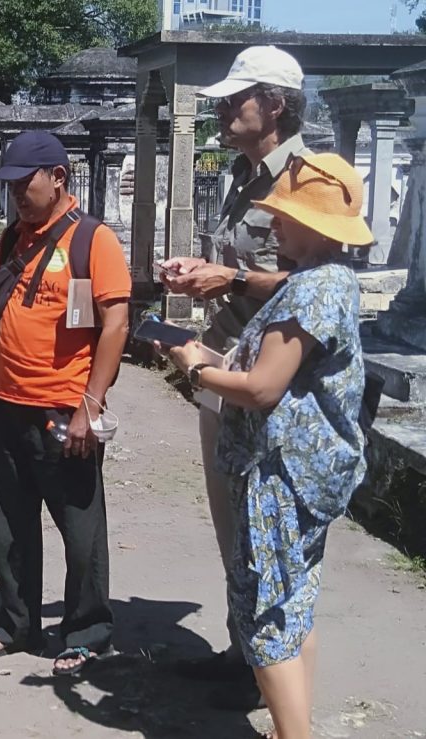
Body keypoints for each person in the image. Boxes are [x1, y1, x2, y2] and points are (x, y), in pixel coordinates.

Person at [166, 152, 371, 739]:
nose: (272, 224)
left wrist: (193, 369)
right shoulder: (323, 281)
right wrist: (206, 358)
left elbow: (260, 388)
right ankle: (293, 729)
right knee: (293, 602)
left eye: (284, 215)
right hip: (306, 470)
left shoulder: (312, 291)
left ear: (318, 226)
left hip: (280, 473)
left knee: (264, 613)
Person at [159, 45, 309, 709]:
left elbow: (322, 281)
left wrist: (235, 276)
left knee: (270, 539)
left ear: (274, 103)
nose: (223, 110)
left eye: (235, 99)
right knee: (231, 527)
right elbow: (240, 269)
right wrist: (203, 268)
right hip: (225, 364)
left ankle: (282, 681)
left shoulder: (307, 177)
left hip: (276, 384)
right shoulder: (245, 175)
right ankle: (241, 650)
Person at [0, 131, 131, 676]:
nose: (15, 197)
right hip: (7, 403)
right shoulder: (13, 240)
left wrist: (90, 406)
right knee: (7, 526)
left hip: (63, 411)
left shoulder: (92, 241)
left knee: (80, 530)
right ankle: (17, 622)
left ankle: (86, 631)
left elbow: (116, 324)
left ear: (58, 178)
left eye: (23, 185)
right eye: (8, 187)